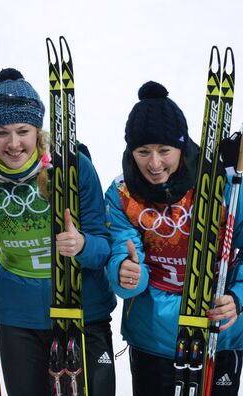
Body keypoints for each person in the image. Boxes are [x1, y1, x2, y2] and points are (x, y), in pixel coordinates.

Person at [0, 68, 117, 396]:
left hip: (82, 306)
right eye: (1, 132)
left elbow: (104, 248)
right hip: (19, 316)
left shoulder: (73, 167)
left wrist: (82, 244)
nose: (13, 143)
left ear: (38, 131)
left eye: (23, 130)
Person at [105, 81, 243, 395]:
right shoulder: (122, 193)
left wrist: (237, 298)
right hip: (152, 337)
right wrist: (125, 274)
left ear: (182, 146)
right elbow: (119, 252)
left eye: (164, 150)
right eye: (143, 152)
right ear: (131, 151)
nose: (154, 164)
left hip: (218, 334)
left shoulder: (226, 186)